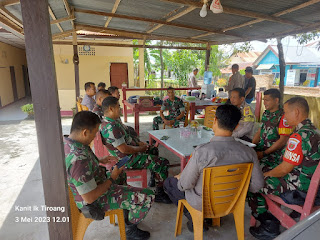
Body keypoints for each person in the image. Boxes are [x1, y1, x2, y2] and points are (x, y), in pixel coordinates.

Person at [164, 104, 264, 232]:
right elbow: (258, 185)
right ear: (237, 126)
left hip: (203, 204)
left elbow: (184, 185)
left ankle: (195, 218)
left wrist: (181, 177)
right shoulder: (249, 152)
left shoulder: (202, 152)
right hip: (233, 201)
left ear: (215, 120)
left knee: (170, 183)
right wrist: (235, 190)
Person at [64, 111, 154, 240]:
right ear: (84, 132)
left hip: (94, 182)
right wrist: (112, 178)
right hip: (93, 203)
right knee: (147, 196)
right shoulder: (78, 160)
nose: (95, 136)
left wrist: (99, 160)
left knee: (121, 174)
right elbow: (89, 197)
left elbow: (80, 167)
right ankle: (130, 230)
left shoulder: (69, 142)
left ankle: (126, 205)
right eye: (94, 133)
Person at [248, 97, 320, 240]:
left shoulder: (298, 136)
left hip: (298, 189)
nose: (284, 116)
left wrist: (266, 175)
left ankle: (268, 224)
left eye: (287, 112)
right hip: (313, 185)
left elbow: (284, 169)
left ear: (297, 112)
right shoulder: (314, 131)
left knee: (253, 183)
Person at [100, 96, 171, 203]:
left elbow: (128, 136)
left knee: (153, 150)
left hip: (128, 153)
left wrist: (138, 143)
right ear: (111, 109)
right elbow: (125, 150)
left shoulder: (114, 121)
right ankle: (160, 193)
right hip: (126, 159)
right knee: (163, 163)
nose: (120, 109)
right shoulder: (111, 127)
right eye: (118, 106)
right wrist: (140, 148)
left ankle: (155, 177)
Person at [252, 89, 292, 172]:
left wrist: (264, 154)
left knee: (256, 171)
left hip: (273, 156)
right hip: (261, 150)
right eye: (264, 100)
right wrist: (251, 146)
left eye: (267, 100)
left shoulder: (284, 117)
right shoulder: (266, 113)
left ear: (276, 100)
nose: (264, 103)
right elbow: (260, 131)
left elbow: (282, 141)